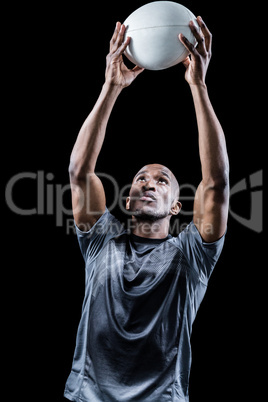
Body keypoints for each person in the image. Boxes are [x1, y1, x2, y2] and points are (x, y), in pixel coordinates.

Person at [64, 17, 229, 402]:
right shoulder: (100, 242)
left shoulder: (192, 254)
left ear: (176, 206)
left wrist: (199, 86)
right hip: (87, 397)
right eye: (141, 178)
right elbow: (79, 171)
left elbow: (217, 182)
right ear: (125, 200)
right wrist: (111, 86)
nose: (148, 183)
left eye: (161, 180)